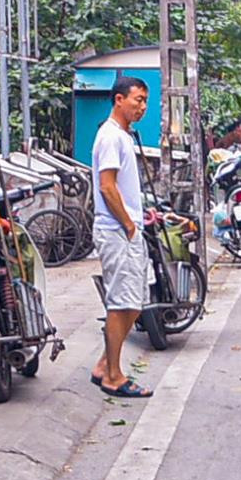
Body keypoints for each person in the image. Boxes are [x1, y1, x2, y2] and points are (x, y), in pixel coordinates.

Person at [88, 75, 153, 399]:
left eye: (144, 101)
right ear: (118, 100)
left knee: (137, 303)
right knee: (121, 302)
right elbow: (107, 186)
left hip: (128, 229)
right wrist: (127, 223)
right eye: (137, 100)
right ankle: (113, 375)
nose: (142, 107)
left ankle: (103, 364)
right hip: (116, 231)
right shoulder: (110, 137)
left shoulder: (123, 136)